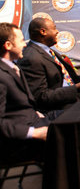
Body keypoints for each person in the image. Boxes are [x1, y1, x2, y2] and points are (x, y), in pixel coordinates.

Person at [17, 18, 80, 113]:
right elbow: (40, 97)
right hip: (59, 108)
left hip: (73, 99)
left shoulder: (50, 51)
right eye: (54, 28)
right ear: (43, 31)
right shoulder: (31, 58)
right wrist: (75, 89)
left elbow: (66, 79)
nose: (57, 32)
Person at [0, 23, 49, 163]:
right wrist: (35, 133)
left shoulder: (14, 68)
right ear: (8, 45)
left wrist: (35, 112)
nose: (25, 45)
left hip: (35, 119)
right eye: (21, 40)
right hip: (21, 141)